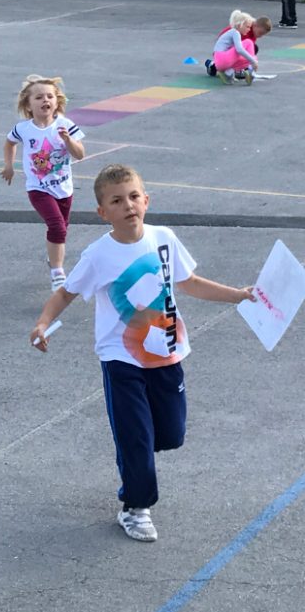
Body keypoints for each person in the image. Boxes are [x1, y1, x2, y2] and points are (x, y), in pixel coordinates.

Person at [30, 164, 255, 543]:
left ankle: (138, 455)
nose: (128, 205)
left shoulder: (163, 238)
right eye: (117, 201)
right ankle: (135, 506)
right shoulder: (99, 255)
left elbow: (189, 282)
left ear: (146, 200)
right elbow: (66, 292)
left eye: (134, 197)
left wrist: (237, 295)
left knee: (169, 434)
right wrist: (42, 323)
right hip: (121, 358)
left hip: (167, 353)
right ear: (104, 212)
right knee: (135, 437)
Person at [1, 74, 85, 291]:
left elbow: (80, 155)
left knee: (62, 229)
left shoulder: (66, 125)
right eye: (38, 97)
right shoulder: (24, 128)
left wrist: (68, 140)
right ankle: (58, 273)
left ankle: (52, 258)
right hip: (38, 188)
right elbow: (9, 143)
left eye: (49, 96)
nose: (45, 100)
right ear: (28, 105)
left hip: (64, 188)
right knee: (56, 226)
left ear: (57, 101)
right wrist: (9, 166)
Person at [205, 15, 271, 77]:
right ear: (256, 25)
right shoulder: (243, 27)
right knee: (250, 48)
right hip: (223, 53)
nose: (260, 36)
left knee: (252, 48)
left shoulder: (252, 34)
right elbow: (238, 48)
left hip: (230, 52)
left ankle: (235, 69)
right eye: (260, 33)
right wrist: (253, 62)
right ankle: (213, 64)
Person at [210, 10, 259, 85]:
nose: (249, 30)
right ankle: (250, 70)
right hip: (222, 58)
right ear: (240, 25)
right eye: (247, 27)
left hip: (220, 61)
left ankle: (228, 72)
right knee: (248, 43)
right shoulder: (235, 32)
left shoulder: (233, 33)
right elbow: (239, 50)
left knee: (248, 58)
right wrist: (253, 61)